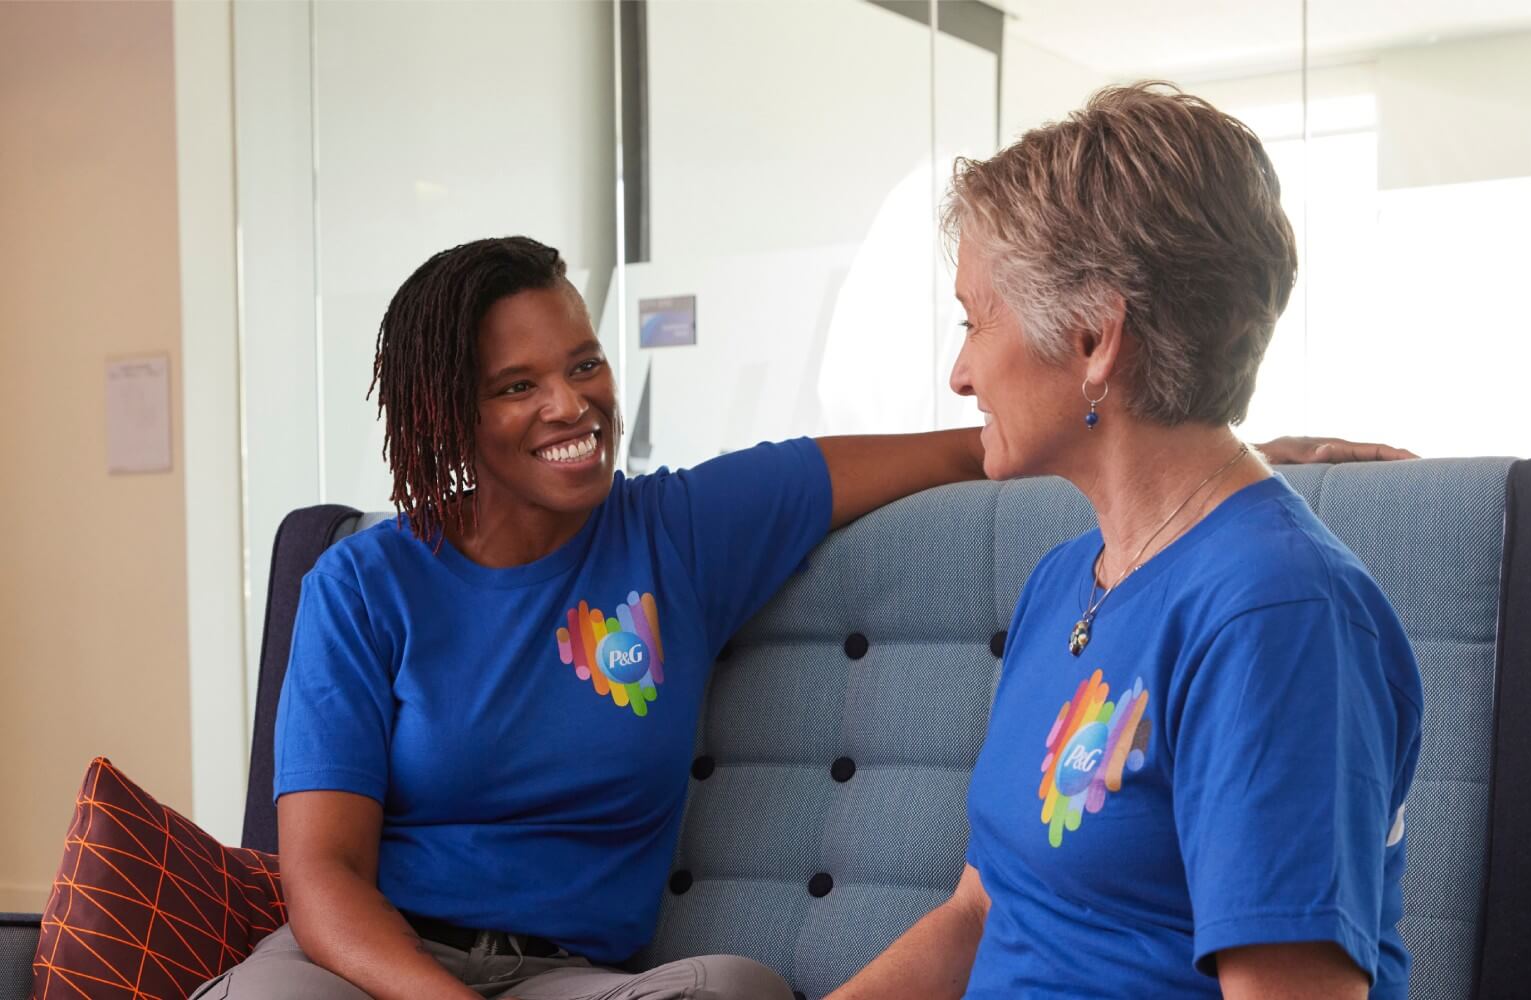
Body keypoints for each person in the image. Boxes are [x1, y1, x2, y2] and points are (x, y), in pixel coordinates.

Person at [196, 234, 1402, 1000]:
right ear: (445, 418)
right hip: (367, 969)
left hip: (575, 980)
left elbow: (975, 447)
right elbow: (323, 874)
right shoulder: (365, 584)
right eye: (518, 385)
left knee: (731, 990)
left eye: (584, 362)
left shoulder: (681, 529)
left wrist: (1221, 459)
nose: (572, 403)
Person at [830, 84, 1422, 1000]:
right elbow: (980, 914)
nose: (960, 372)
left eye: (974, 320)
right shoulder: (1069, 579)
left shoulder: (1277, 617)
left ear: (1094, 337)